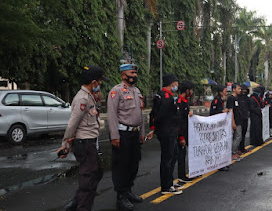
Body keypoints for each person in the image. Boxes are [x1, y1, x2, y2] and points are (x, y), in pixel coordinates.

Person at [58, 66, 107, 211]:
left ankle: (76, 202)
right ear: (93, 82)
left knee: (97, 172)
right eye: (99, 81)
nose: (100, 84)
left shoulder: (89, 95)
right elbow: (73, 123)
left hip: (89, 142)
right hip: (84, 143)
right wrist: (65, 144)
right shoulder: (82, 98)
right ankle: (81, 206)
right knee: (88, 179)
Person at [107, 63, 150, 210]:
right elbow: (111, 115)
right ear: (123, 75)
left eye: (135, 73)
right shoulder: (116, 91)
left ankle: (128, 190)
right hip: (122, 134)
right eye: (132, 73)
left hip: (135, 133)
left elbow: (140, 115)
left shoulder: (137, 91)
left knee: (133, 164)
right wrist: (114, 136)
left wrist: (142, 133)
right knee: (122, 166)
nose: (135, 76)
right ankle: (121, 197)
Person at [148, 73, 182, 195]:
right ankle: (166, 186)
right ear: (171, 83)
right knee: (168, 159)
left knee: (172, 156)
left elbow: (153, 113)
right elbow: (161, 116)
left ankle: (169, 181)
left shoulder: (161, 95)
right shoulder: (167, 98)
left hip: (167, 131)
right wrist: (156, 128)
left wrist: (153, 128)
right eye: (176, 83)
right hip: (168, 132)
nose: (177, 85)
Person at [176, 80, 195, 183]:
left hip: (186, 131)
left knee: (186, 153)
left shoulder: (185, 101)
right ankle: (181, 175)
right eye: (191, 90)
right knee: (181, 155)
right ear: (187, 90)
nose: (191, 92)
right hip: (181, 133)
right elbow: (179, 121)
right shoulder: (179, 102)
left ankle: (187, 173)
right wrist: (181, 137)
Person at [226, 83, 243, 161]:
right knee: (238, 136)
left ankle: (234, 152)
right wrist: (233, 122)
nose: (240, 90)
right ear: (234, 89)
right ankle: (233, 153)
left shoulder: (237, 98)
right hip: (235, 121)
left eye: (240, 89)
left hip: (238, 120)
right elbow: (230, 111)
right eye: (238, 89)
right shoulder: (231, 98)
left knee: (237, 137)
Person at [238, 84, 251, 154]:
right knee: (238, 135)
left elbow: (249, 107)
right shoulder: (237, 98)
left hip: (245, 118)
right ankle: (238, 149)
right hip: (239, 118)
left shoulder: (247, 99)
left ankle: (242, 148)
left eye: (245, 90)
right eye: (242, 90)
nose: (244, 91)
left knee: (244, 133)